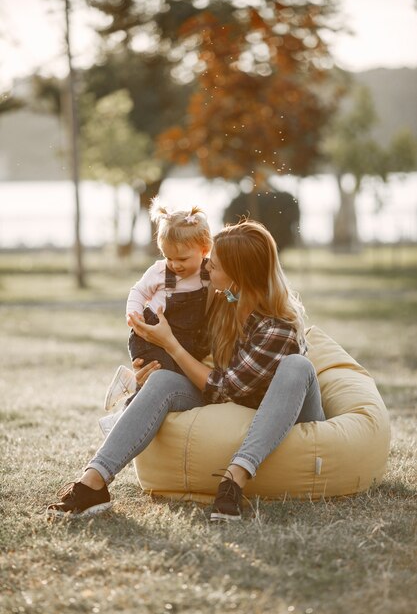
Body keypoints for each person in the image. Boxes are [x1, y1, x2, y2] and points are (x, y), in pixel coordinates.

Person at [47, 219, 325, 521]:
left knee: (297, 366)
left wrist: (170, 345)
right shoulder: (223, 302)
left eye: (215, 266)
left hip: (288, 411)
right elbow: (196, 357)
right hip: (238, 400)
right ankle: (93, 483)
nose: (206, 269)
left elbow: (225, 387)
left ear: (238, 276)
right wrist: (152, 366)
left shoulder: (277, 327)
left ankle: (234, 479)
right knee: (164, 380)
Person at [99, 198, 213, 436]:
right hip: (150, 335)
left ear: (204, 250)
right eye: (169, 257)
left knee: (178, 378)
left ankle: (130, 383)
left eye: (182, 259)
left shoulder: (208, 273)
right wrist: (134, 314)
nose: (175, 265)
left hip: (184, 341)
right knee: (162, 378)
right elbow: (138, 291)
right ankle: (122, 419)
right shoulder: (160, 271)